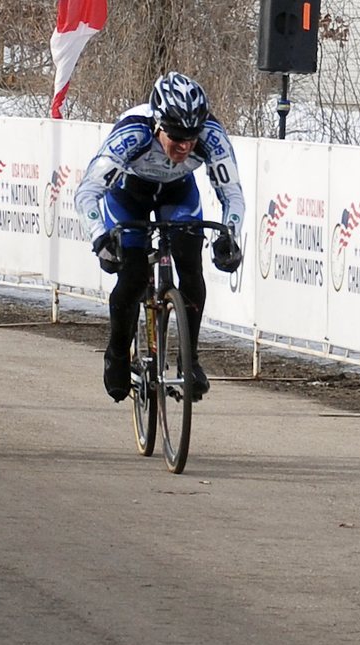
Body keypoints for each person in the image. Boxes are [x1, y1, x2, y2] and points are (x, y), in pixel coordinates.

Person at [73, 71, 245, 403]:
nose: (184, 146)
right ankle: (118, 353)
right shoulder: (133, 133)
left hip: (178, 192)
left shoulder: (211, 136)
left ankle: (189, 359)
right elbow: (88, 192)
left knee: (191, 265)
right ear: (158, 125)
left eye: (191, 138)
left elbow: (232, 194)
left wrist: (230, 237)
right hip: (129, 193)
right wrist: (100, 239)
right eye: (176, 137)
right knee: (134, 274)